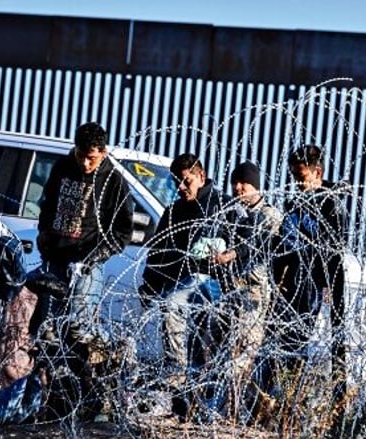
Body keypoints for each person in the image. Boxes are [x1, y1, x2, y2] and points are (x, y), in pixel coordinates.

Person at [28, 121, 133, 421]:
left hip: (87, 263)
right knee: (52, 330)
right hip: (56, 260)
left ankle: (108, 366)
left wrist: (94, 256)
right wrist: (44, 235)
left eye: (92, 158)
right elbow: (47, 206)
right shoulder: (63, 167)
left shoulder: (113, 179)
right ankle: (62, 397)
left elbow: (123, 231)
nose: (86, 163)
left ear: (103, 153)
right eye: (81, 155)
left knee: (78, 326)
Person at [191, 160, 283, 413]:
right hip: (230, 290)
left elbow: (258, 243)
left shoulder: (269, 215)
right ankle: (241, 401)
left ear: (254, 184)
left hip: (253, 292)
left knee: (243, 350)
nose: (238, 188)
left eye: (243, 183)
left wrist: (230, 254)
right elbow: (217, 235)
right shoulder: (232, 212)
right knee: (215, 345)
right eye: (235, 183)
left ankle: (235, 408)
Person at [267, 144, 348, 406]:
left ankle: (337, 401)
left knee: (331, 345)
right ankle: (289, 396)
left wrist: (326, 286)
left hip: (323, 284)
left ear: (317, 172)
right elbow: (282, 244)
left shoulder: (332, 205)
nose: (298, 184)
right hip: (295, 282)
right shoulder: (295, 204)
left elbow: (333, 245)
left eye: (301, 178)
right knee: (292, 343)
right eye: (294, 178)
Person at [139, 153, 230, 385]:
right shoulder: (174, 212)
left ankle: (187, 379)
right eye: (175, 182)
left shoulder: (224, 207)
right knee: (171, 309)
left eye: (186, 181)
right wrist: (149, 285)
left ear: (201, 176)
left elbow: (244, 245)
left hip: (213, 283)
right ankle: (179, 376)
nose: (180, 187)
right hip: (180, 282)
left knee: (176, 310)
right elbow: (157, 253)